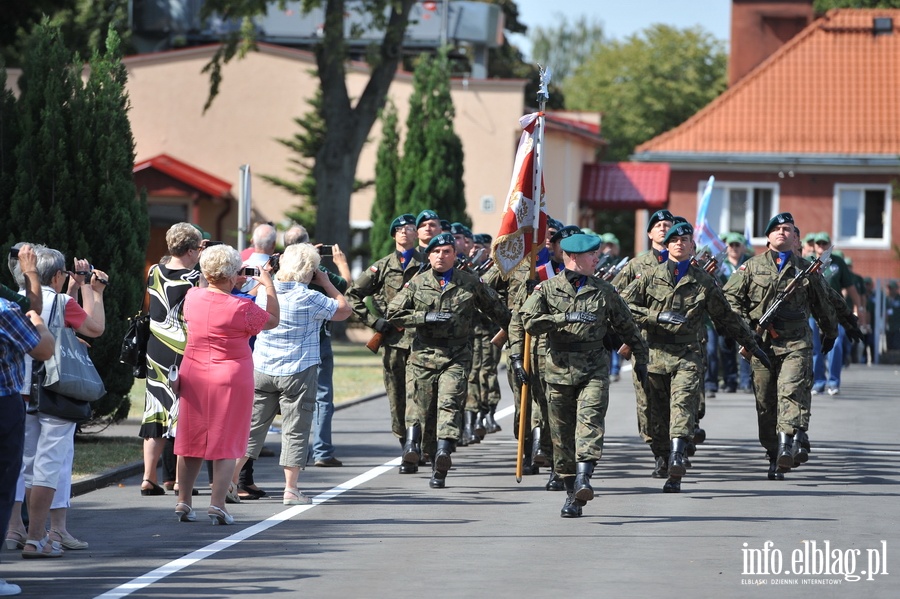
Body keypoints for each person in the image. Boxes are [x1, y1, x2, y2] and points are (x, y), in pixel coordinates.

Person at [620, 223, 768, 493]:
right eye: (673, 239)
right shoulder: (649, 277)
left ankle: (677, 460)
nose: (678, 243)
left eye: (684, 239)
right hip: (653, 355)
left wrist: (752, 344)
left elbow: (726, 317)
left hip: (687, 355)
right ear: (666, 246)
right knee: (656, 416)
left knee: (683, 405)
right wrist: (656, 316)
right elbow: (623, 305)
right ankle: (663, 456)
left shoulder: (704, 281)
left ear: (692, 246)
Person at [521, 233, 649, 517]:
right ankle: (572, 494)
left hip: (593, 368)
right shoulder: (546, 290)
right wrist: (563, 318)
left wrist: (642, 357)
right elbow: (529, 322)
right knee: (561, 436)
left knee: (590, 422)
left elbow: (627, 327)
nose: (597, 259)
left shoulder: (605, 291)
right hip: (556, 370)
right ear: (575, 258)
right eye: (593, 255)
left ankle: (584, 477)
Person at [386, 232, 511, 489]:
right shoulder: (417, 284)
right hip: (422, 356)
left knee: (449, 403)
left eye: (446, 252)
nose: (441, 256)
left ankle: (443, 454)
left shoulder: (470, 283)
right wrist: (423, 318)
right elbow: (393, 313)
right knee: (421, 408)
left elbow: (499, 311)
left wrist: (517, 328)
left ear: (455, 255)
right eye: (436, 252)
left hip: (455, 356)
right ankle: (415, 446)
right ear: (428, 255)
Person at [722, 213, 838, 480]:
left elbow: (823, 303)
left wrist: (830, 331)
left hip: (796, 343)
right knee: (765, 404)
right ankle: (774, 452)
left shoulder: (806, 269)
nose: (782, 232)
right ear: (768, 236)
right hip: (761, 345)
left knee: (790, 392)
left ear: (794, 236)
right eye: (776, 229)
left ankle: (787, 445)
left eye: (787, 229)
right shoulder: (750, 267)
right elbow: (730, 299)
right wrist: (744, 330)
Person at [233, 242, 348, 506]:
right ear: (310, 270)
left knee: (252, 429)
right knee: (295, 430)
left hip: (262, 367)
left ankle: (231, 481)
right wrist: (327, 281)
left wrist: (266, 273)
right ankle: (290, 488)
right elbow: (344, 310)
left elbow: (249, 292)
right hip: (298, 370)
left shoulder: (264, 293)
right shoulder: (310, 297)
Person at [173, 245, 279, 524]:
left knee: (190, 440)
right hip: (231, 376)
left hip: (194, 372)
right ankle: (217, 504)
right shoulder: (242, 307)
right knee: (227, 441)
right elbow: (273, 322)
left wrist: (225, 274)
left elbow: (204, 287)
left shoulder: (192, 297)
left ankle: (184, 501)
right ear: (233, 274)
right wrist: (267, 284)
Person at [16, 248, 107, 556]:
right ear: (56, 275)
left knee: (25, 464)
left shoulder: (17, 298)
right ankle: (39, 536)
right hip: (55, 389)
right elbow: (95, 328)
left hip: (21, 389)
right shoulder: (61, 301)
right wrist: (91, 289)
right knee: (51, 464)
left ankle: (19, 529)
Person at [345, 214, 425, 472]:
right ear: (393, 235)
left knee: (421, 395)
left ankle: (420, 446)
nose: (404, 232)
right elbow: (352, 296)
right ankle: (406, 447)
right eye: (399, 229)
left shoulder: (427, 264)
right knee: (397, 397)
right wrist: (374, 322)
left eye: (409, 228)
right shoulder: (381, 267)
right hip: (393, 342)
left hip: (422, 341)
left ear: (417, 234)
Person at [0, 272, 54, 596]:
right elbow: (43, 349)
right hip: (4, 403)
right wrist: (39, 321)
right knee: (2, 487)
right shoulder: (5, 310)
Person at [140, 223, 203, 496]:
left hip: (155, 348)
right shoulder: (195, 277)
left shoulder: (154, 270)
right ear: (190, 250)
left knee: (155, 409)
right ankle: (179, 481)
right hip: (183, 348)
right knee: (182, 412)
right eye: (199, 247)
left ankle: (148, 477)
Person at [611, 209, 674, 477]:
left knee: (679, 402)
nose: (663, 228)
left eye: (668, 225)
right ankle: (659, 453)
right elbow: (615, 298)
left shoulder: (685, 263)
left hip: (679, 346)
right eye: (658, 225)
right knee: (649, 404)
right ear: (649, 233)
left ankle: (676, 449)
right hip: (645, 344)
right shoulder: (636, 266)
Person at [809, 232, 860, 396]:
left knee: (836, 346)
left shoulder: (837, 262)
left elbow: (850, 288)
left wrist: (858, 309)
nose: (821, 247)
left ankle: (833, 382)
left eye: (824, 244)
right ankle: (818, 382)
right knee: (815, 348)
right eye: (818, 244)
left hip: (834, 312)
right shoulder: (807, 262)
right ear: (814, 246)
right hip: (812, 313)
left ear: (829, 245)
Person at [886, 280, 900, 350]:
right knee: (889, 346)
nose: (890, 290)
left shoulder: (899, 299)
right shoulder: (886, 299)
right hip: (889, 327)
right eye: (889, 288)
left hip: (897, 327)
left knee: (896, 346)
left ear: (896, 289)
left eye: (892, 288)